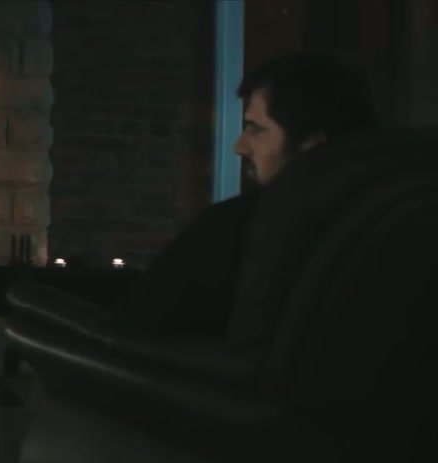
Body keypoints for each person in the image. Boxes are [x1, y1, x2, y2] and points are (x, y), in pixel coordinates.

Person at [114, 52, 378, 336]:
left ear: (312, 145)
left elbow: (144, 322)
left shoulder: (237, 227)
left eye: (257, 129)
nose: (240, 146)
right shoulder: (377, 216)